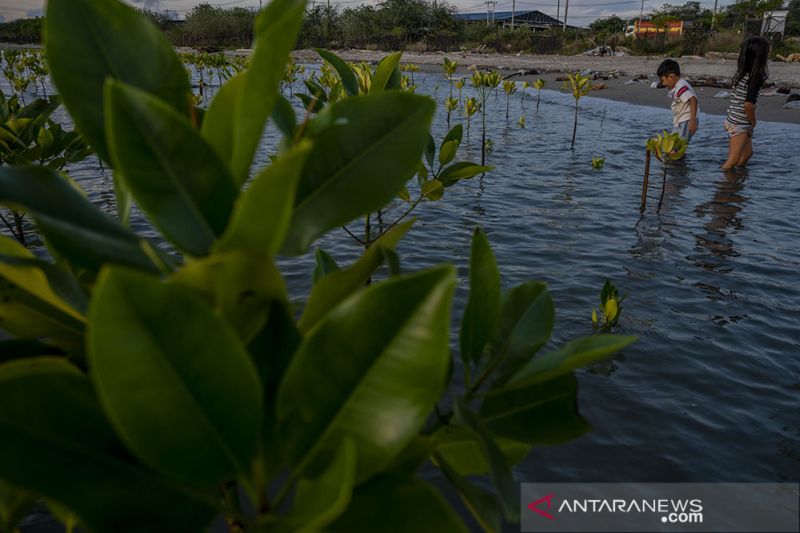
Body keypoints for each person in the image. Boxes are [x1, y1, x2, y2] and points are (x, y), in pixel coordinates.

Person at [722, 36, 770, 170]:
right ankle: (723, 187)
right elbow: (748, 105)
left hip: (733, 120)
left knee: (747, 153)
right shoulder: (754, 79)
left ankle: (736, 178)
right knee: (733, 159)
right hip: (740, 123)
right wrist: (753, 121)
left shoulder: (740, 74)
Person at [657, 59, 699, 144]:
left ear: (671, 77)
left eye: (663, 80)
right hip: (682, 121)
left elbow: (693, 100)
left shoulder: (681, 86)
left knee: (675, 147)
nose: (663, 84)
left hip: (686, 121)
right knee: (677, 146)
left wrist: (692, 120)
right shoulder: (679, 85)